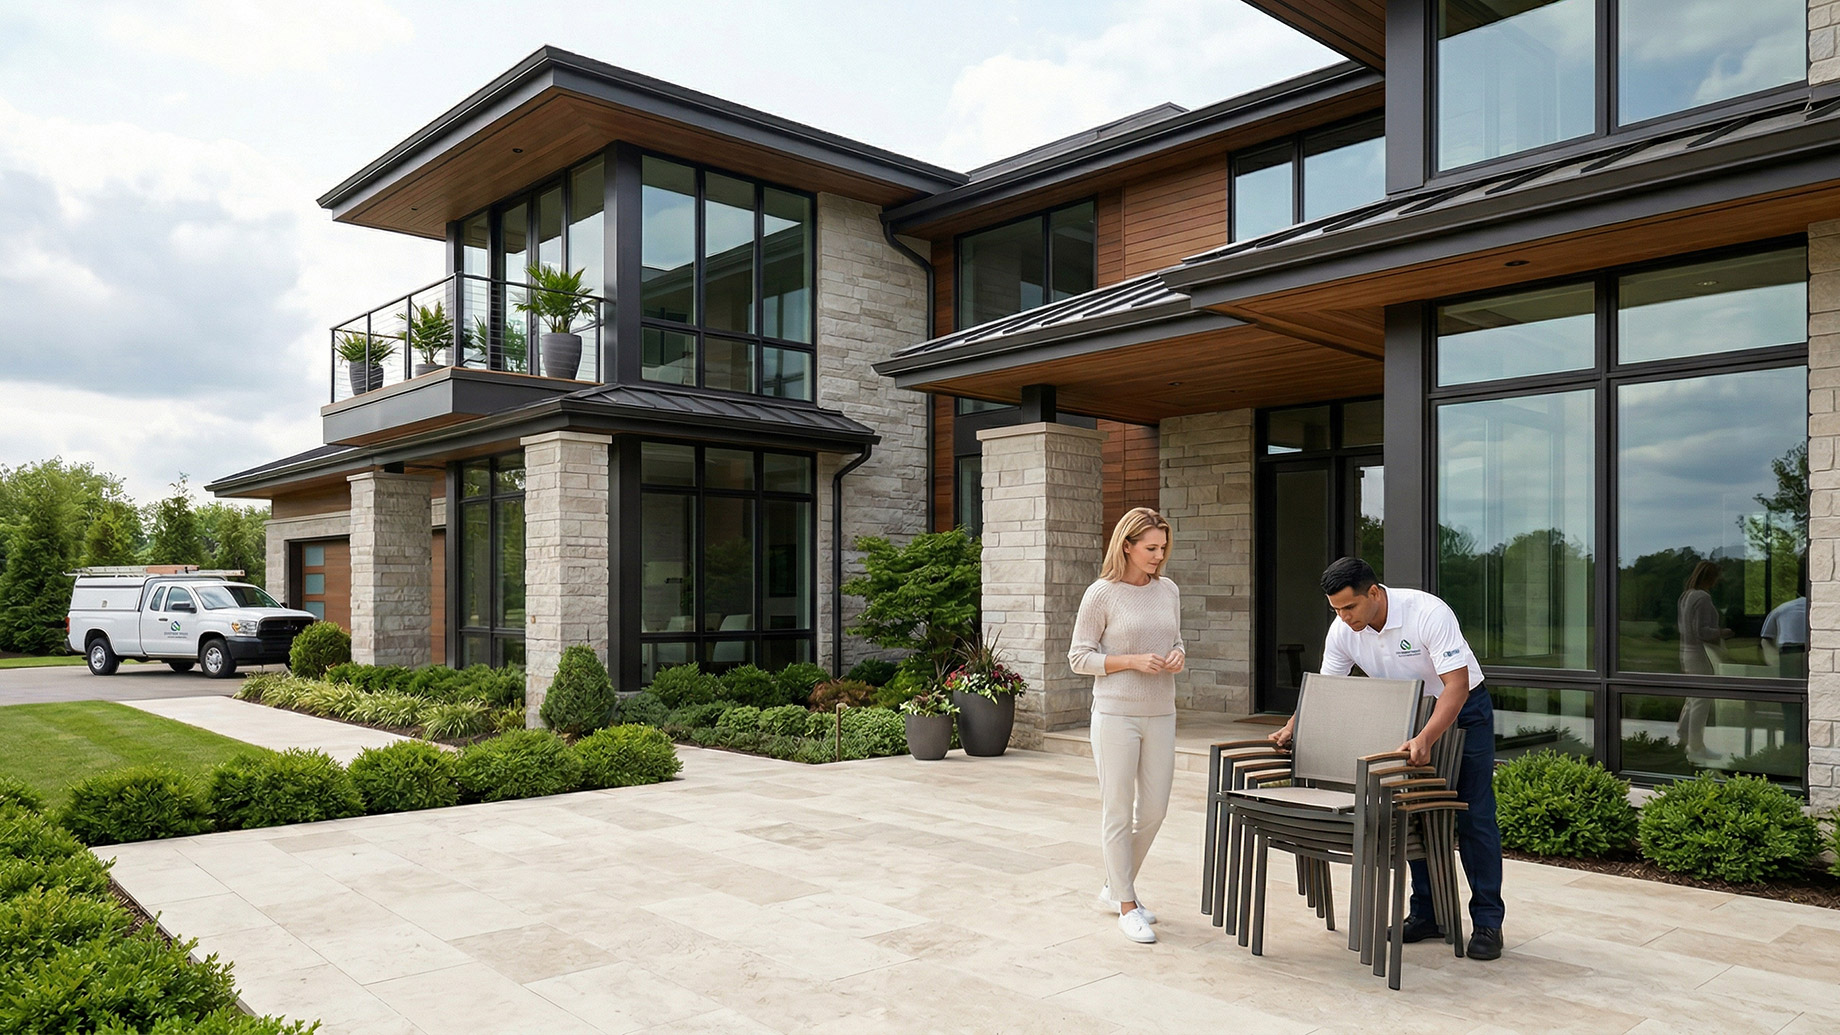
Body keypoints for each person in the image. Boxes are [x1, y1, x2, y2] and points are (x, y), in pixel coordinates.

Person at [1267, 556, 1505, 962]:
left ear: (1374, 593)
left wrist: (1427, 737)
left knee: (1472, 814)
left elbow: (1457, 685)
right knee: (1411, 813)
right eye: (1336, 610)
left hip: (1463, 710)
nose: (1343, 617)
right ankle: (1428, 915)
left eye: (1349, 607)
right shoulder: (1343, 630)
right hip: (1406, 713)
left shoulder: (1427, 612)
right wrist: (1292, 726)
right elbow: (1326, 689)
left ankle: (1487, 922)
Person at [1068, 507, 1185, 945]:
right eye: (1151, 548)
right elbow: (1079, 658)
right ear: (1127, 546)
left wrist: (1178, 654)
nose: (1159, 555)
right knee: (1118, 809)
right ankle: (1126, 903)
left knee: (1154, 810)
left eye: (1162, 547)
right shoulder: (1102, 594)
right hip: (1116, 714)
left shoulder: (1168, 590)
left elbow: (1174, 639)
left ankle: (1114, 885)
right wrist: (1130, 661)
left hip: (1162, 712)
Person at [1675, 561, 1730, 761]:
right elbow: (1702, 631)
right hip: (1699, 653)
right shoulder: (1703, 597)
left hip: (1685, 652)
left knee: (1693, 697)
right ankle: (1696, 746)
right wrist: (1724, 632)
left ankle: (1685, 738)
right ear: (1711, 578)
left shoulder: (1686, 596)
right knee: (1702, 699)